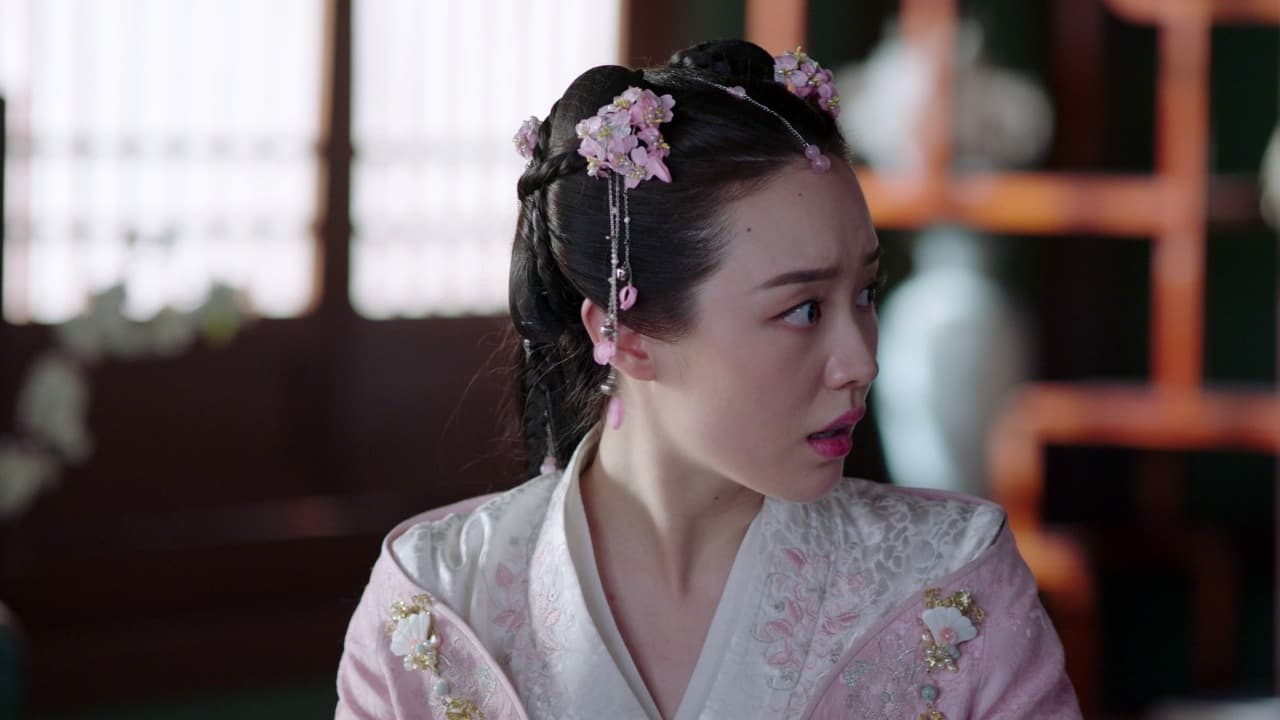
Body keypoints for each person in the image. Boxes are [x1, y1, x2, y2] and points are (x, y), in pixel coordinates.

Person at [336, 39, 1081, 720]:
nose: (861, 363)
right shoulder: (435, 604)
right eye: (802, 309)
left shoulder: (951, 582)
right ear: (622, 334)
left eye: (866, 294)